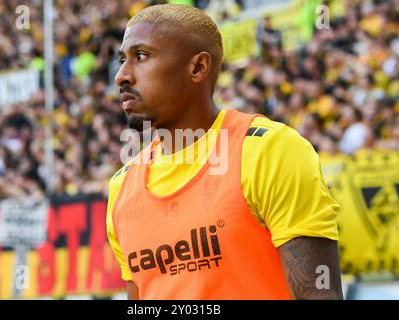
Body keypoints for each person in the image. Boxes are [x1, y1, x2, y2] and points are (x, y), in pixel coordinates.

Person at [106, 4, 343, 300]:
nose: (121, 76)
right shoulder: (122, 187)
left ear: (198, 67)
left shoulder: (268, 150)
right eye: (121, 60)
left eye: (141, 57)